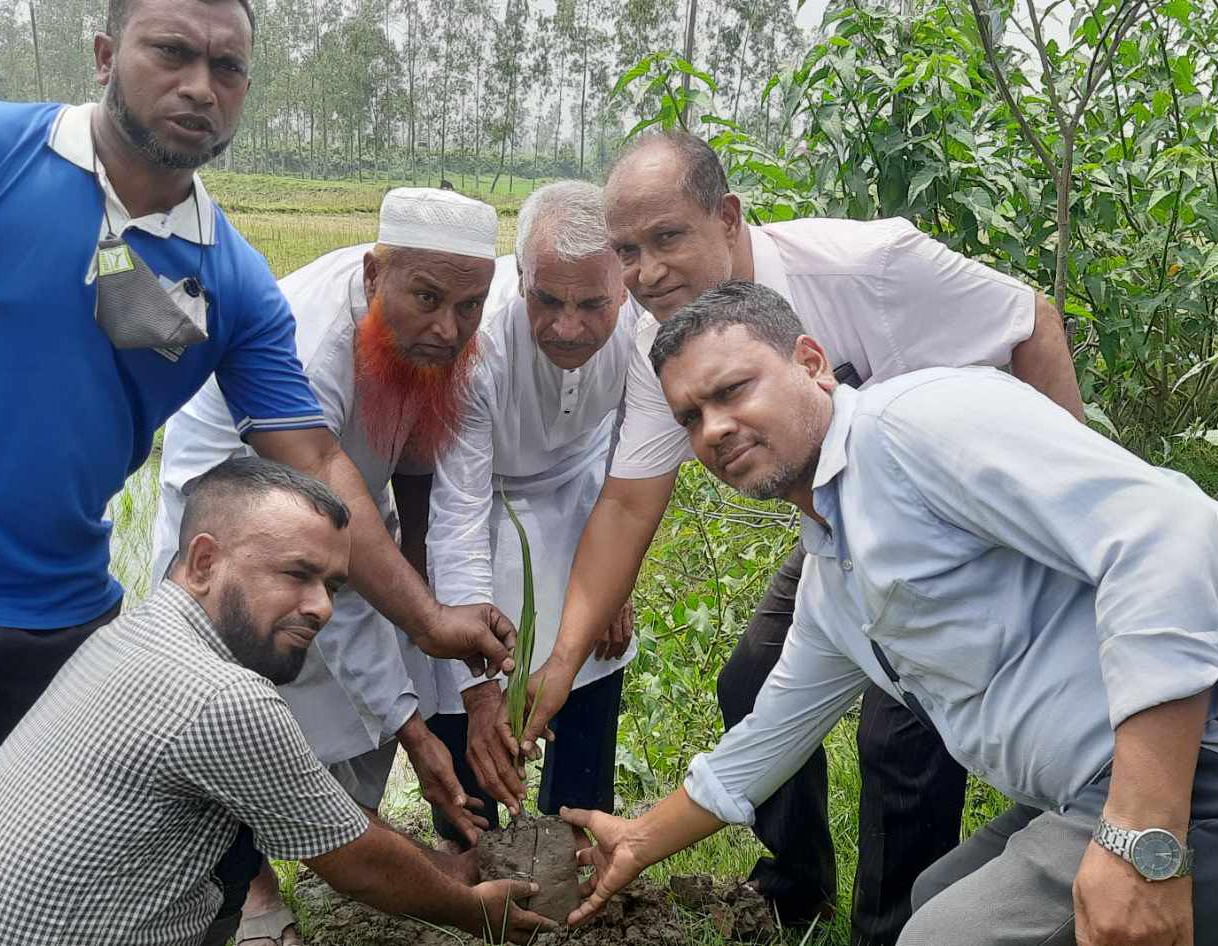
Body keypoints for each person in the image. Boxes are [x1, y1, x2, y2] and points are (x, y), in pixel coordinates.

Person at [0, 2, 511, 943]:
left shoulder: (232, 280)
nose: (199, 86)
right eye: (171, 52)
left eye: (227, 68)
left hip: (56, 604)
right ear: (105, 55)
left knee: (103, 836)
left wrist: (429, 621)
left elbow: (320, 461)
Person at [517, 130, 1084, 943]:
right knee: (755, 678)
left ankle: (891, 926)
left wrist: (1057, 527)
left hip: (976, 511)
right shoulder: (664, 341)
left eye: (668, 238)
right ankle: (795, 890)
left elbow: (1031, 320)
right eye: (627, 251)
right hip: (844, 524)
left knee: (903, 727)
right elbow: (628, 503)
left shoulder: (869, 266)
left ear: (728, 217)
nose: (645, 274)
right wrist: (561, 666)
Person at [560, 281, 1218, 946]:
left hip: (1183, 764)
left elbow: (1171, 532)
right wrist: (638, 841)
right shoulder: (834, 575)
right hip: (1080, 787)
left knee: (942, 936)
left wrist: (1140, 838)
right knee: (935, 893)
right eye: (690, 418)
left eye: (732, 390)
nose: (715, 429)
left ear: (812, 363)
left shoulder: (917, 425)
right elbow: (765, 744)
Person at [0, 456, 555, 946]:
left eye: (332, 584)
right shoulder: (217, 695)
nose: (321, 607)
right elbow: (357, 862)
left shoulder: (138, 635)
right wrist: (475, 911)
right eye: (296, 574)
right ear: (204, 560)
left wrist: (447, 866)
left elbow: (299, 799)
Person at [151, 186, 500, 945]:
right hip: (241, 532)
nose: (449, 328)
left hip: (343, 522)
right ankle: (252, 887)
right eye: (428, 299)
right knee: (249, 715)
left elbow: (412, 463)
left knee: (370, 698)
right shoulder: (311, 341)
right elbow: (315, 545)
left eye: (470, 306)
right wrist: (417, 711)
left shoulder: (430, 337)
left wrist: (415, 608)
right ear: (376, 275)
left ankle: (361, 852)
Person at [425, 181, 639, 844]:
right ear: (519, 278)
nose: (568, 327)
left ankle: (578, 831)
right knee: (470, 670)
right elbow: (458, 506)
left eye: (591, 304)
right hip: (486, 500)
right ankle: (471, 842)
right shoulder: (477, 347)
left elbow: (634, 463)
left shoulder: (648, 332)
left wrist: (618, 582)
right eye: (547, 300)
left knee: (597, 650)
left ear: (624, 287)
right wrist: (482, 687)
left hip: (584, 493)